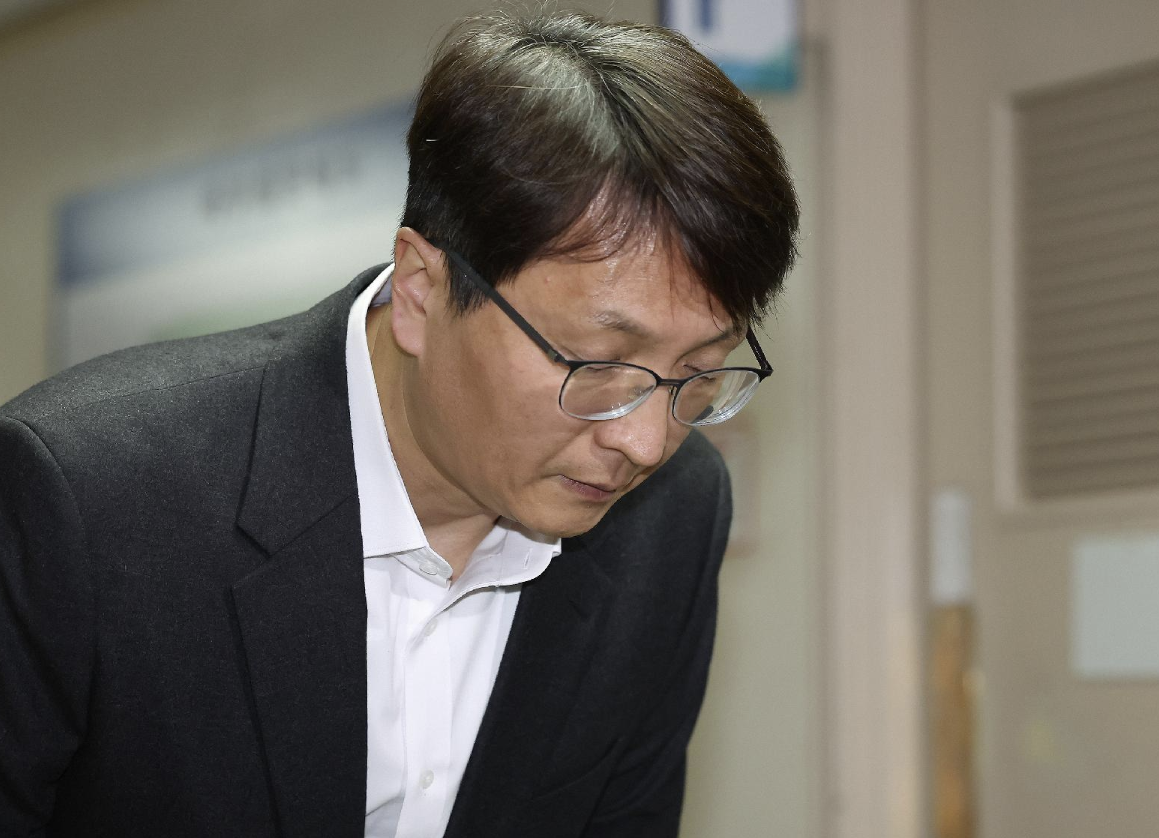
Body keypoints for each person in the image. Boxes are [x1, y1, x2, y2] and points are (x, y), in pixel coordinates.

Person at [0, 9, 798, 838]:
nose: (645, 442)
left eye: (700, 372)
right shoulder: (88, 499)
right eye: (596, 363)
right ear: (420, 290)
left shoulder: (671, 515)